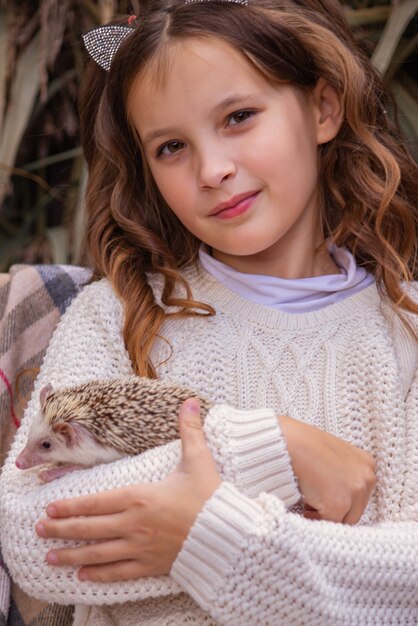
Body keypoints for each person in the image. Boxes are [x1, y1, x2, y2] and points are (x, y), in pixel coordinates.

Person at [1, 0, 417, 624]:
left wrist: (204, 536)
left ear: (324, 108)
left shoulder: (404, 329)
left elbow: (405, 582)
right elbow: (33, 538)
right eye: (171, 147)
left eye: (240, 116)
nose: (213, 170)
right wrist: (271, 448)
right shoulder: (119, 315)